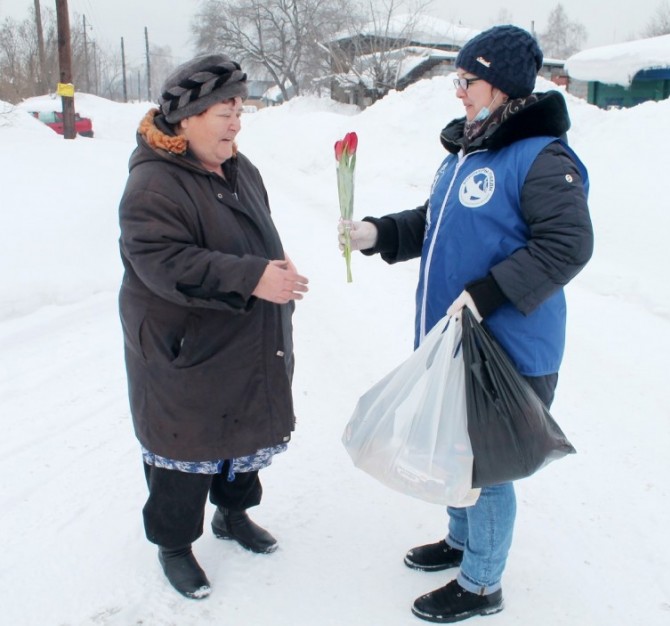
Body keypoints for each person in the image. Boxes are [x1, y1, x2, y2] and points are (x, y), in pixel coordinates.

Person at [338, 25, 593, 622]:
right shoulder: (468, 151)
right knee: (457, 450)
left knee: (487, 466)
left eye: (467, 80)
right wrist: (378, 233)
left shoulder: (540, 157)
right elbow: (435, 221)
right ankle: (461, 541)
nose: (458, 91)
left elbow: (568, 244)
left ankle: (482, 585)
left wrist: (487, 293)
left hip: (505, 348)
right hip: (455, 339)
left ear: (501, 86)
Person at [118, 53, 309, 600]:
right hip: (187, 346)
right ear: (187, 118)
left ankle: (233, 514)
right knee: (185, 449)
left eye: (240, 111)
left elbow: (255, 234)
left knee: (243, 432)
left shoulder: (240, 168)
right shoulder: (153, 184)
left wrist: (276, 266)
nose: (236, 124)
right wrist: (252, 277)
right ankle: (175, 545)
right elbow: (165, 263)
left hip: (245, 335)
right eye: (225, 112)